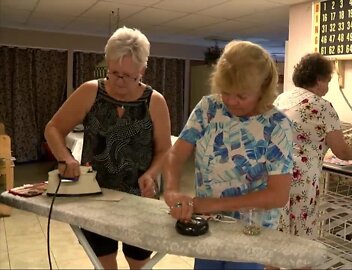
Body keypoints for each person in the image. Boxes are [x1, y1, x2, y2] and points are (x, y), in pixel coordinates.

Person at [44, 26, 172, 269]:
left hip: (139, 199)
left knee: (139, 263)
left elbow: (164, 149)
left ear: (142, 70)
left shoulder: (155, 102)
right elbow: (53, 128)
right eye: (114, 73)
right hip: (95, 196)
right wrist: (66, 158)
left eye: (129, 76)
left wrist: (152, 174)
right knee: (103, 263)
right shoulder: (90, 92)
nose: (120, 81)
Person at [162, 40, 293, 270]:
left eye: (242, 96)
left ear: (263, 89)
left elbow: (277, 195)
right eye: (226, 93)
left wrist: (215, 204)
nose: (232, 102)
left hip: (251, 233)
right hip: (207, 226)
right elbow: (176, 154)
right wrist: (171, 189)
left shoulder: (277, 125)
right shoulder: (209, 109)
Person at [274, 52, 352, 240]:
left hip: (275, 175)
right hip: (301, 180)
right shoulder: (323, 107)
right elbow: (342, 151)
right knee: (302, 241)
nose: (327, 87)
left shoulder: (282, 99)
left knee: (275, 237)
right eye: (327, 81)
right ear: (318, 80)